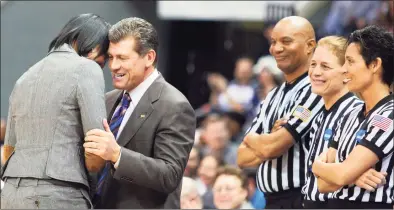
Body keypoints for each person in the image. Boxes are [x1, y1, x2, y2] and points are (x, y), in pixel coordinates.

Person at [83, 17, 196, 208]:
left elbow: (170, 175)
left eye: (123, 58)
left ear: (149, 58)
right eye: (111, 57)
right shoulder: (108, 99)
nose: (113, 66)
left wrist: (118, 155)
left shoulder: (174, 106)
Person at [0, 13, 110, 209]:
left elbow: (8, 149)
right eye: (101, 62)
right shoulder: (87, 68)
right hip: (58, 195)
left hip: (10, 194)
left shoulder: (25, 77)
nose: (101, 68)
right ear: (81, 40)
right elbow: (96, 150)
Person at [237, 16, 324, 209]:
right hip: (272, 201)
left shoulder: (316, 89)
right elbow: (242, 157)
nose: (276, 49)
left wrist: (265, 142)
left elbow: (271, 147)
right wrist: (272, 138)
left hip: (301, 198)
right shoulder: (272, 95)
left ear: (310, 45)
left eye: (286, 41)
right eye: (273, 42)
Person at [312, 25, 394, 209]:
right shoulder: (348, 116)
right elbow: (322, 184)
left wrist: (321, 167)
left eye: (350, 61)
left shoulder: (389, 115)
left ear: (374, 65)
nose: (344, 69)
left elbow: (339, 176)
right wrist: (352, 175)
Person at [302, 35, 371, 208]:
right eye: (313, 64)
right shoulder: (318, 116)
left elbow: (356, 170)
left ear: (347, 74)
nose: (316, 72)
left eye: (325, 66)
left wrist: (350, 175)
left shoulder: (357, 113)